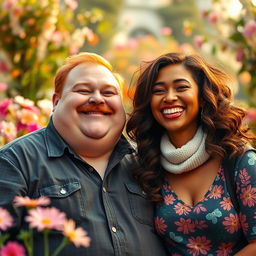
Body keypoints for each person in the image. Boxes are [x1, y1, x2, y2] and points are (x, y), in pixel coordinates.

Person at [0, 52, 167, 256]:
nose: (97, 98)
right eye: (83, 90)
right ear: (56, 101)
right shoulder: (15, 162)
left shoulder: (146, 163)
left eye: (108, 93)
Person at [126, 52, 256, 255]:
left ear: (202, 97)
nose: (169, 97)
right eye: (158, 91)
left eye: (181, 87)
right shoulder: (147, 165)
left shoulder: (239, 160)